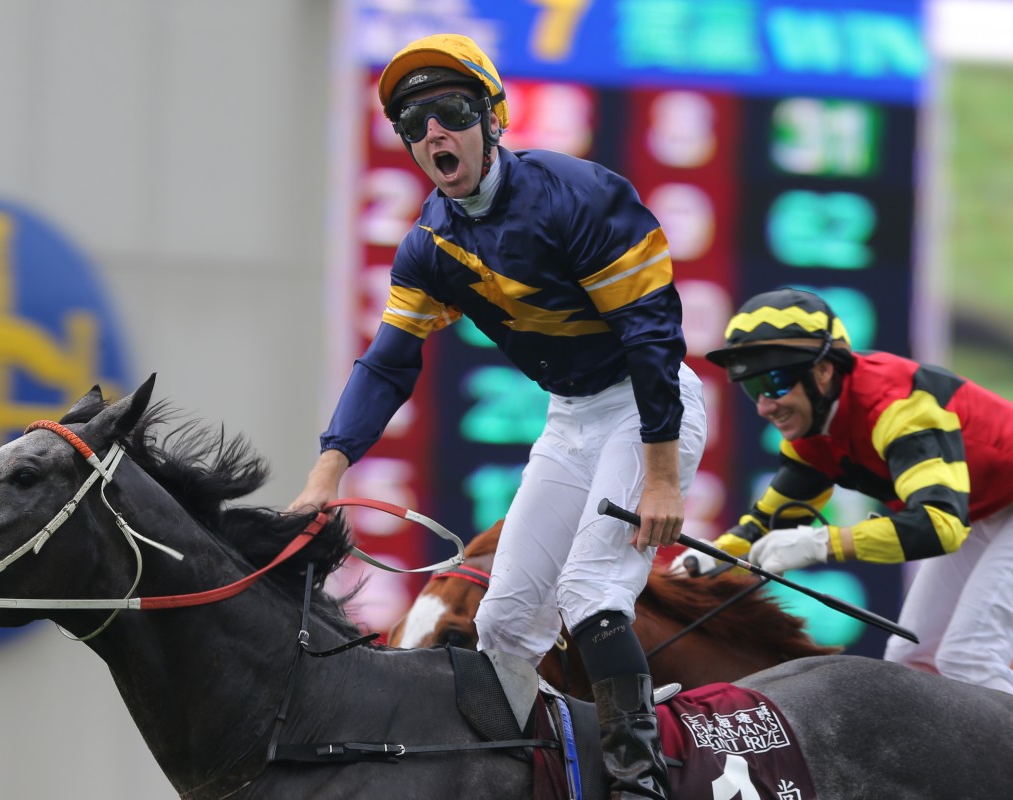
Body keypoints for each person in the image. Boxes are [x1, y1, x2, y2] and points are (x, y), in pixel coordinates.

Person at [289, 33, 706, 800]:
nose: (433, 135)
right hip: (572, 417)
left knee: (588, 594)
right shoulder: (428, 247)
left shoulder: (579, 195)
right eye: (414, 125)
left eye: (450, 111)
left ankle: (641, 781)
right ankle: (522, 778)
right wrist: (326, 473)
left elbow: (652, 338)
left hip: (649, 409)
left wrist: (660, 476)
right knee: (505, 625)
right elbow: (387, 363)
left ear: (493, 116)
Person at [670, 287, 1013, 695]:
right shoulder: (810, 432)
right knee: (912, 659)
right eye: (752, 386)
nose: (764, 405)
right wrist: (711, 559)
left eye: (775, 382)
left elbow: (939, 525)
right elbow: (766, 524)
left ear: (824, 371)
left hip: (978, 513)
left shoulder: (898, 407)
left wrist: (822, 544)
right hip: (987, 509)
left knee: (967, 656)